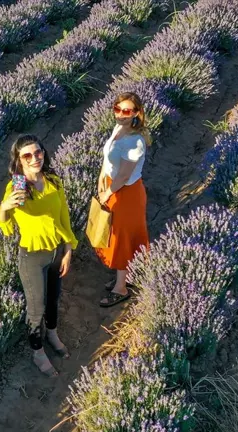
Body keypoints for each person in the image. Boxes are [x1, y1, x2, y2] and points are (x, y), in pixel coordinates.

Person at [0, 135, 77, 376]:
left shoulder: (53, 181)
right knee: (35, 308)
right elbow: (4, 223)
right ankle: (37, 352)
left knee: (53, 297)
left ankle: (52, 334)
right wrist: (5, 207)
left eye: (38, 153)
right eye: (27, 155)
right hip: (32, 257)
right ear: (18, 160)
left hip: (56, 251)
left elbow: (64, 217)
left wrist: (68, 249)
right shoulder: (16, 188)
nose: (35, 158)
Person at [95, 92, 151, 307]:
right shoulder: (119, 129)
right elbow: (108, 156)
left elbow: (125, 175)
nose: (120, 115)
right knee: (116, 234)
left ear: (136, 113)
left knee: (122, 239)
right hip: (114, 186)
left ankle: (121, 289)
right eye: (117, 109)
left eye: (126, 111)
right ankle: (124, 276)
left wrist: (107, 193)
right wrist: (102, 175)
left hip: (126, 194)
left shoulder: (135, 142)